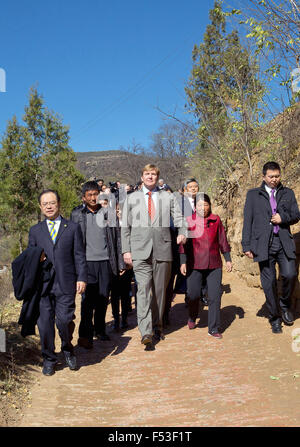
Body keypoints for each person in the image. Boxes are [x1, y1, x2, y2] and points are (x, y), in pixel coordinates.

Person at [121, 164, 187, 350]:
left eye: (153, 174)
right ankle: (146, 331)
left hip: (163, 249)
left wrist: (182, 232)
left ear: (158, 177)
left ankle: (157, 326)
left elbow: (180, 218)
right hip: (139, 251)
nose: (150, 177)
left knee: (159, 292)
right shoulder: (131, 198)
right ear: (142, 177)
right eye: (147, 174)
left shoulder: (168, 197)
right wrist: (126, 251)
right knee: (142, 290)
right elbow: (125, 227)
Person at [28, 190, 87, 376]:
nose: (49, 206)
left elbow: (79, 255)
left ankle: (67, 347)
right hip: (42, 285)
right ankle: (49, 358)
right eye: (45, 204)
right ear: (40, 207)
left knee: (64, 320)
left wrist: (82, 277)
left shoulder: (72, 227)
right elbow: (30, 258)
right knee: (44, 324)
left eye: (52, 202)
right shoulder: (35, 231)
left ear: (59, 204)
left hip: (66, 282)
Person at [242, 161, 300, 334]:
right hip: (263, 243)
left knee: (290, 274)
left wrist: (283, 218)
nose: (274, 179)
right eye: (271, 176)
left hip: (283, 241)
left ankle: (284, 305)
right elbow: (248, 221)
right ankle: (274, 318)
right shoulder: (253, 195)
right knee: (268, 284)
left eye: (277, 176)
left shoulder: (287, 193)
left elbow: (296, 214)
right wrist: (246, 245)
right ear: (264, 176)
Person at [70, 181, 126, 349]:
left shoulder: (108, 213)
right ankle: (85, 335)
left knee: (103, 298)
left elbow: (117, 238)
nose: (93, 198)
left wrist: (121, 262)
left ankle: (100, 330)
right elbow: (72, 241)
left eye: (96, 194)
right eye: (90, 195)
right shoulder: (77, 214)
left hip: (106, 262)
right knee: (87, 300)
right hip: (86, 263)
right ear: (84, 197)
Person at [180, 194, 232, 339]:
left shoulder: (216, 220)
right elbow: (183, 245)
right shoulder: (189, 221)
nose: (203, 208)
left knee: (215, 296)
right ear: (195, 207)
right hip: (194, 264)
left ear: (210, 205)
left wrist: (227, 258)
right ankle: (192, 316)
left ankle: (213, 328)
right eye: (200, 205)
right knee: (193, 294)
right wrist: (183, 261)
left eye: (206, 204)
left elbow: (222, 240)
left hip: (214, 264)